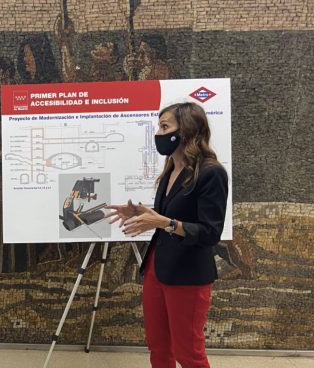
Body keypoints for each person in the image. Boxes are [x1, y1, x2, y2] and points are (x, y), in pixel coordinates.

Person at [105, 102, 228, 367]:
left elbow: (210, 232)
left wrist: (166, 222)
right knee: (158, 348)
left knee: (188, 353)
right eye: (158, 126)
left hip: (188, 274)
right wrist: (140, 212)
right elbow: (167, 216)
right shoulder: (170, 170)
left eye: (165, 126)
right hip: (157, 269)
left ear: (185, 131)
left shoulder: (211, 173)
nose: (158, 134)